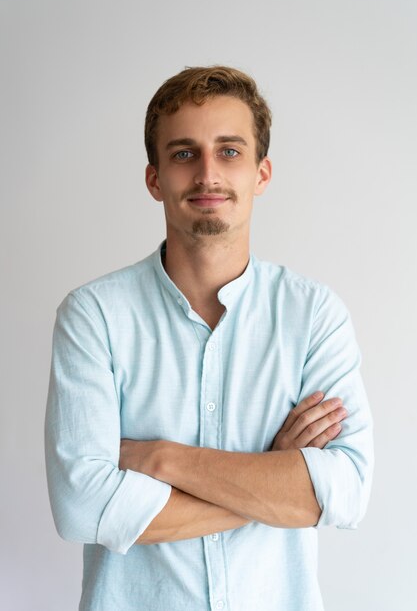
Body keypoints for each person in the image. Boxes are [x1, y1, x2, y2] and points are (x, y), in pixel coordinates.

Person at [45, 65, 373, 611]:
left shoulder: (313, 314)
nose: (206, 174)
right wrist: (272, 479)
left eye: (229, 151)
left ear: (261, 174)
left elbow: (346, 491)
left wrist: (160, 459)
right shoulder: (94, 316)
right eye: (183, 153)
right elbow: (82, 506)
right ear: (155, 179)